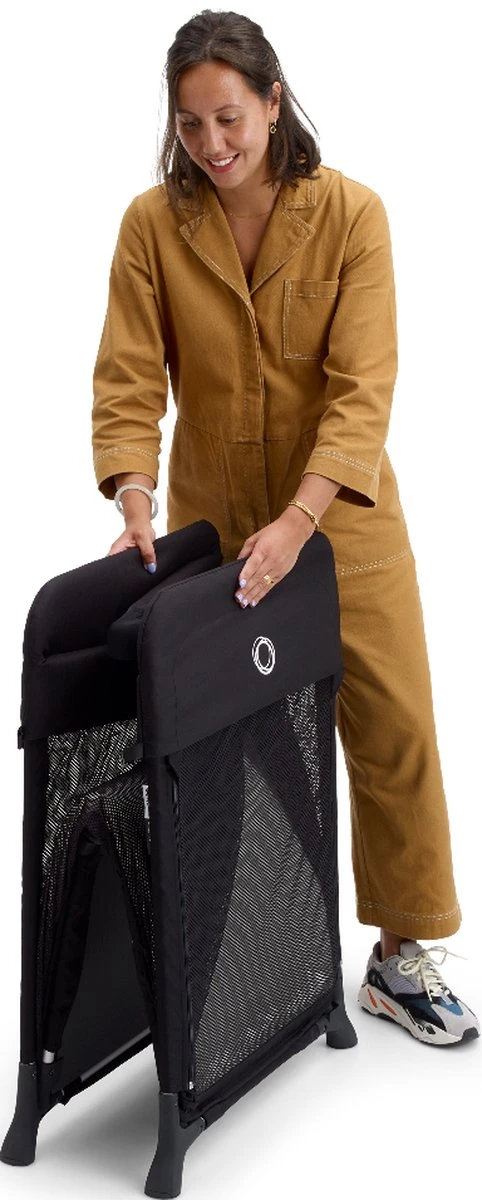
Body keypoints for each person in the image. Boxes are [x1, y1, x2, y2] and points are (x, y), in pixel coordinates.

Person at [91, 9, 479, 1046]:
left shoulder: (353, 216)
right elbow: (128, 378)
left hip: (343, 522)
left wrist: (301, 520)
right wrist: (135, 501)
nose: (211, 144)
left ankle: (398, 959)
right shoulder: (151, 226)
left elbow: (361, 393)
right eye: (190, 124)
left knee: (393, 732)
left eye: (229, 118)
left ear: (273, 101)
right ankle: (231, 962)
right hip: (218, 532)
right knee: (219, 749)